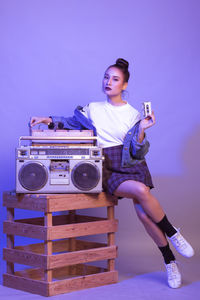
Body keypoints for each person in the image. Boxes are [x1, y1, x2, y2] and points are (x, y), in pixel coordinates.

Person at [30, 58, 194, 289]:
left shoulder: (133, 113)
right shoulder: (92, 108)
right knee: (140, 191)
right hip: (105, 165)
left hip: (130, 162)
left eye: (115, 79)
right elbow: (70, 123)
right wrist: (47, 119)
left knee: (144, 214)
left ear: (124, 85)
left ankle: (170, 261)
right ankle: (173, 232)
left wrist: (143, 130)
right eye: (106, 77)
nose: (109, 82)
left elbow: (137, 150)